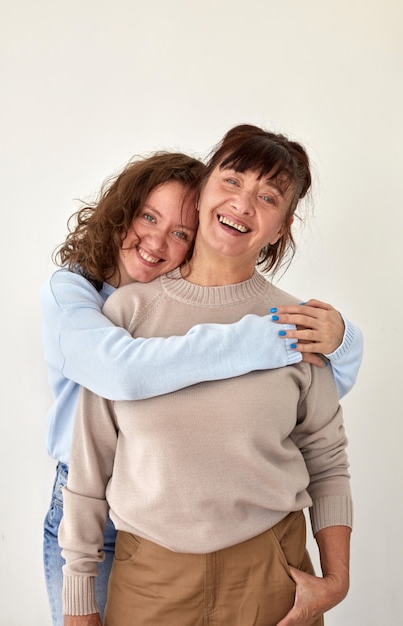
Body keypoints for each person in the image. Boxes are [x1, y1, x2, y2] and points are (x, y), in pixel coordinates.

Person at [59, 124, 354, 626]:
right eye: (233, 180)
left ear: (281, 227)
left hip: (272, 575)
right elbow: (90, 467)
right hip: (149, 577)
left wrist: (336, 581)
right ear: (202, 193)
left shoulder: (299, 323)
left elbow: (326, 459)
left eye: (268, 197)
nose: (243, 204)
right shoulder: (127, 315)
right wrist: (78, 600)